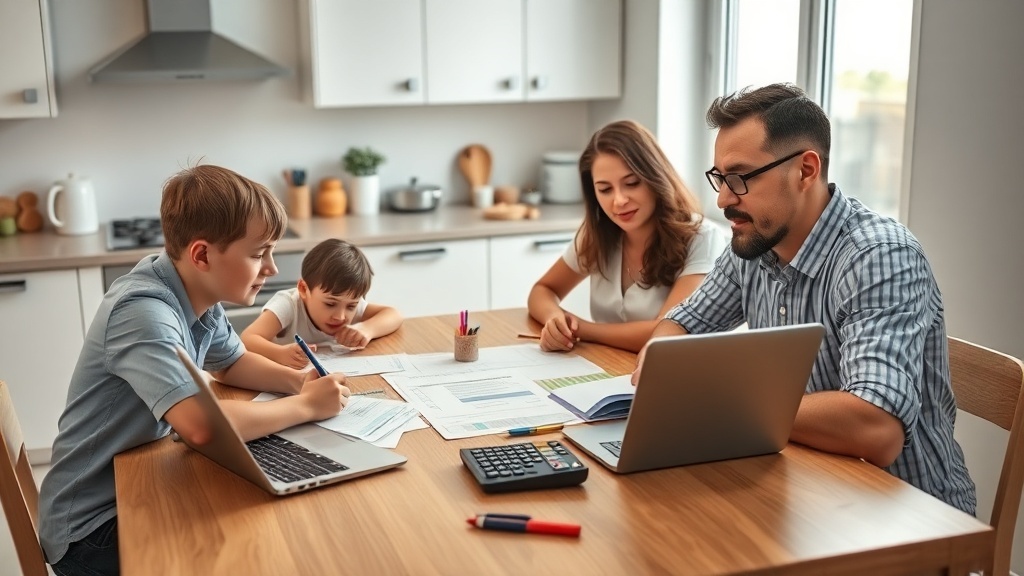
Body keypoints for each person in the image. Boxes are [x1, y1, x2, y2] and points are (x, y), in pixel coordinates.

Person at [635, 83, 976, 514]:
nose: (723, 199)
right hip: (807, 497)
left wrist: (722, 402)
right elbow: (681, 322)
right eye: (720, 178)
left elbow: (876, 429)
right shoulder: (755, 240)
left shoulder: (878, 256)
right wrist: (665, 361)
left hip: (907, 518)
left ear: (806, 169)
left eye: (739, 178)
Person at [38, 164, 351, 576]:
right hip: (91, 526)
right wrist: (307, 407)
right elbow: (201, 427)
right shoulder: (144, 312)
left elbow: (232, 363)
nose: (272, 269)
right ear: (202, 254)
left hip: (138, 482)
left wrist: (297, 382)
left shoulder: (194, 290)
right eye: (259, 254)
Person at [527, 119, 726, 353]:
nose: (619, 201)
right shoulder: (597, 233)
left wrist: (582, 329)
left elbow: (668, 332)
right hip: (606, 366)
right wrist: (555, 319)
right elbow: (542, 290)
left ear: (655, 178)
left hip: (666, 375)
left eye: (631, 183)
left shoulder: (702, 237)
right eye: (605, 189)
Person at [241, 238, 403, 368]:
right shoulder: (288, 304)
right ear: (304, 289)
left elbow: (394, 314)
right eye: (330, 304)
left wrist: (367, 329)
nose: (341, 316)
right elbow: (248, 338)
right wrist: (280, 353)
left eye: (351, 306)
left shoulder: (347, 301)